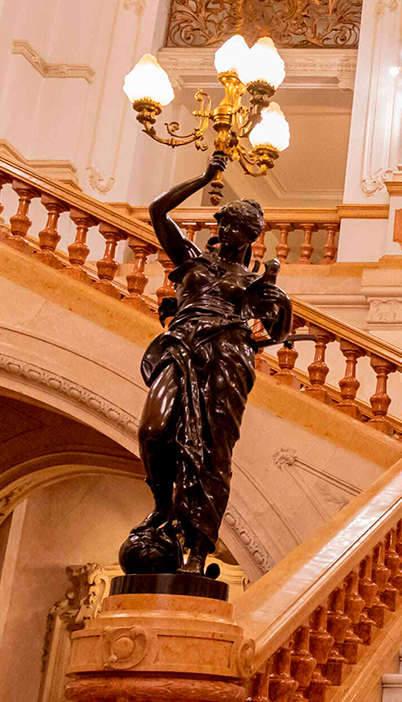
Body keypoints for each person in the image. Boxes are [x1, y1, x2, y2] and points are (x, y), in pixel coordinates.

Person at [120, 151, 292, 576]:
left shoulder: (253, 281)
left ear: (251, 235)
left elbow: (275, 333)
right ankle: (162, 505)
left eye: (236, 227)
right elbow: (158, 210)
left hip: (229, 354)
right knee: (154, 430)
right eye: (224, 223)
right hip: (181, 345)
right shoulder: (191, 261)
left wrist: (280, 303)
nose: (226, 230)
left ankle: (198, 550)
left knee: (215, 451)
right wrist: (204, 177)